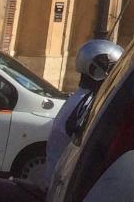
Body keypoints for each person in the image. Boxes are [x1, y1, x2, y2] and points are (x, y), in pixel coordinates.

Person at [42, 39, 122, 188]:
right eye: (113, 70)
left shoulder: (80, 97)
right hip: (63, 187)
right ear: (98, 70)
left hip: (60, 181)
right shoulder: (87, 103)